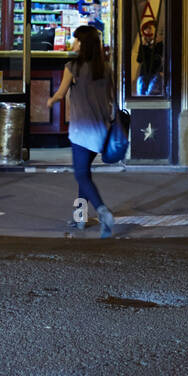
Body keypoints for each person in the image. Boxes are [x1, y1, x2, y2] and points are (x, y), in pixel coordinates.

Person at [45, 25, 118, 238]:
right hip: (101, 130)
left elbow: (60, 94)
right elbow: (111, 97)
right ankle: (80, 218)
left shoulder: (73, 67)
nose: (73, 43)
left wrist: (49, 101)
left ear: (83, 43)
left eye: (76, 40)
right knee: (83, 172)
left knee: (81, 174)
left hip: (81, 131)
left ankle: (103, 211)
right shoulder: (106, 68)